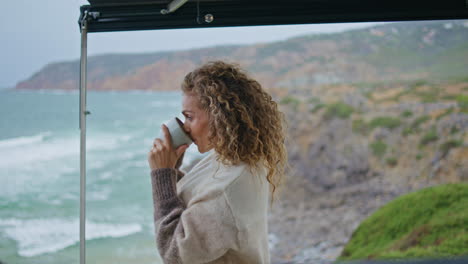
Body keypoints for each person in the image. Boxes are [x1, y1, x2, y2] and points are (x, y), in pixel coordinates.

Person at [147, 61, 288, 264]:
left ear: (219, 116)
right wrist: (172, 169)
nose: (185, 127)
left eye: (189, 117)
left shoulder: (228, 188)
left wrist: (161, 176)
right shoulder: (234, 158)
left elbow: (174, 252)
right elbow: (198, 201)